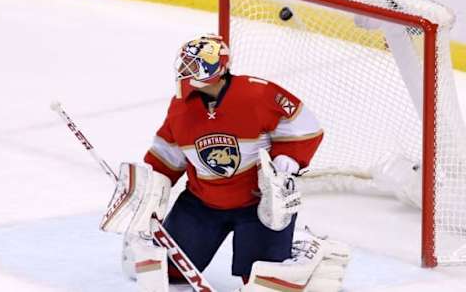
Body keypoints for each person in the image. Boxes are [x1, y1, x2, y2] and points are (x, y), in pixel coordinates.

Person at [101, 34, 349, 291]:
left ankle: (307, 246)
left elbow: (305, 127)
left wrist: (284, 164)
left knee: (260, 283)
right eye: (184, 65)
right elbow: (168, 154)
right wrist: (147, 185)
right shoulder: (180, 108)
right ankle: (146, 243)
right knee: (170, 273)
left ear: (216, 68)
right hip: (202, 204)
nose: (186, 72)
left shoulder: (257, 93)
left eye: (193, 65)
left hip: (258, 207)